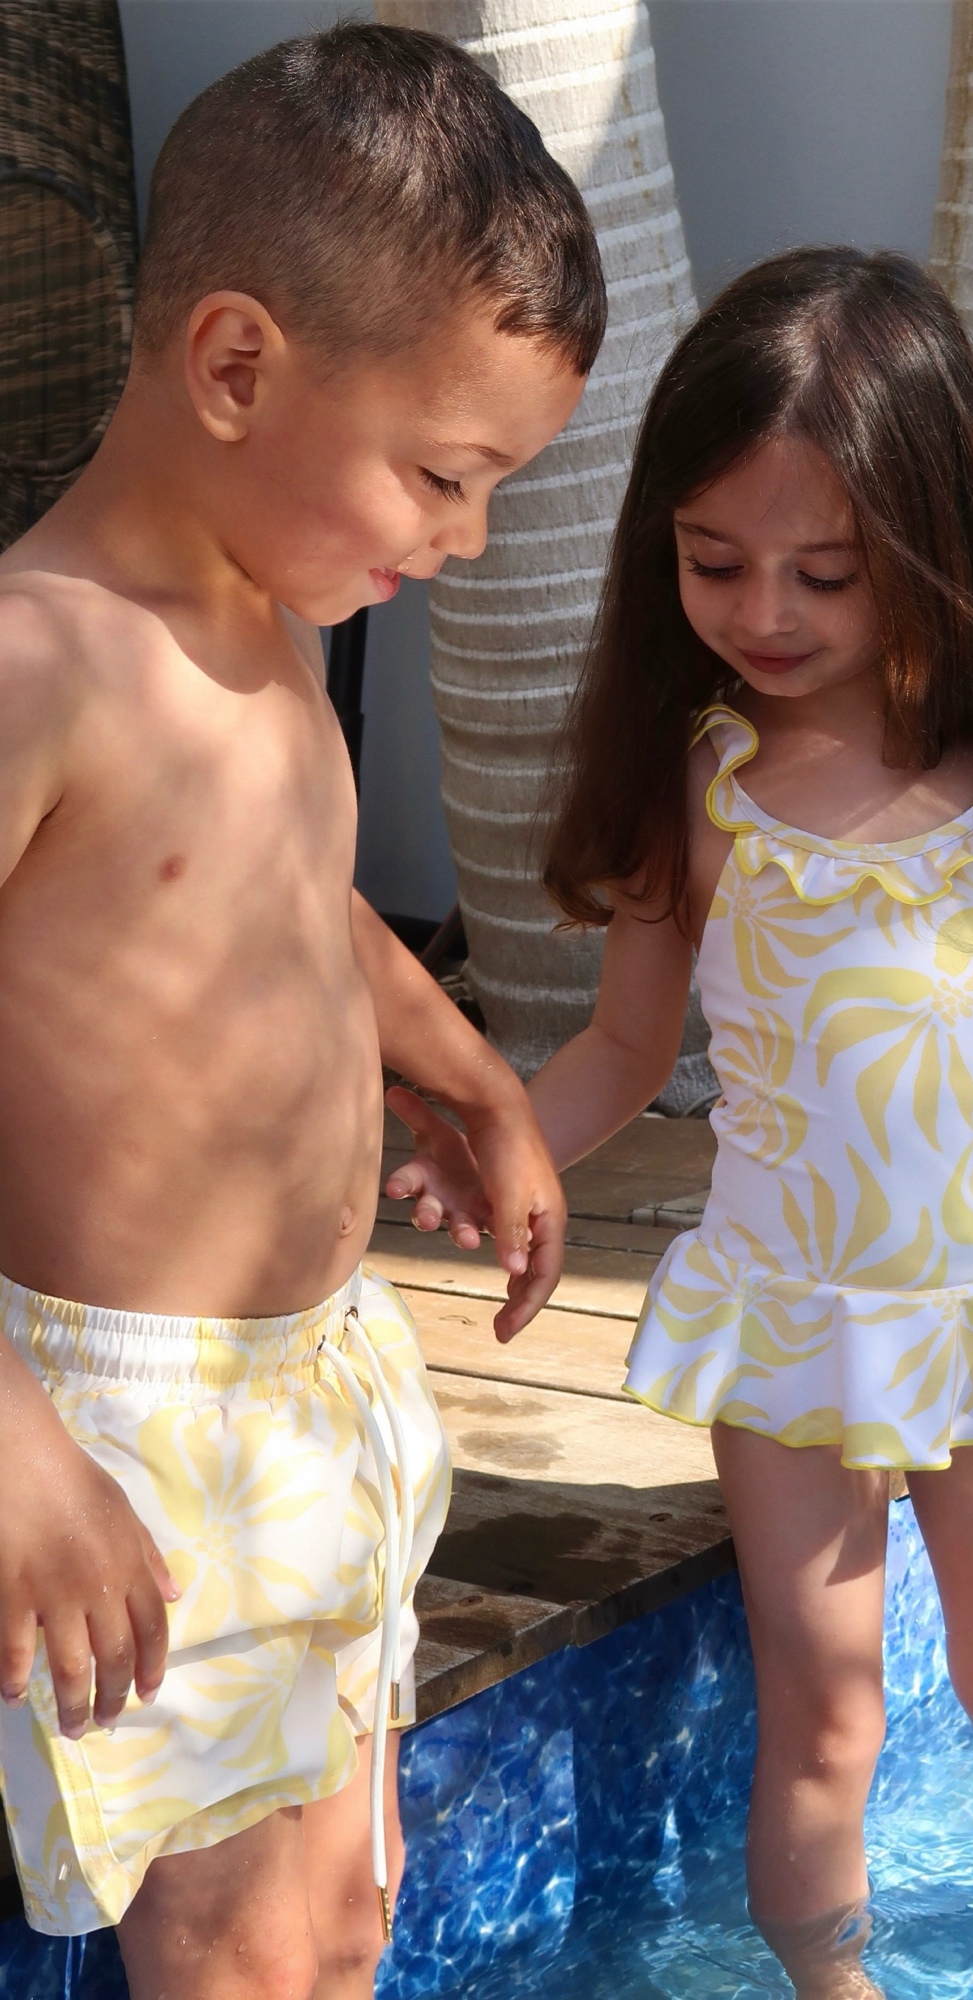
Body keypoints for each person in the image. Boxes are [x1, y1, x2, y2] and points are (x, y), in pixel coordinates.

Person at [403, 248, 973, 1998]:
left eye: (823, 571)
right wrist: (504, 1144)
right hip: (789, 1313)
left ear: (931, 545)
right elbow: (625, 1044)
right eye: (713, 561)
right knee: (827, 1702)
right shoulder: (702, 787)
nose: (763, 609)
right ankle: (826, 1978)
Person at [0, 24, 602, 1999]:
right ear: (239, 366)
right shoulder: (40, 661)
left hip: (316, 1386)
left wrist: (464, 1072)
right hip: (127, 1428)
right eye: (443, 475)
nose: (466, 537)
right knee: (241, 1957)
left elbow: (292, 893)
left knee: (342, 1923)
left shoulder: (260, 624)